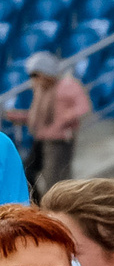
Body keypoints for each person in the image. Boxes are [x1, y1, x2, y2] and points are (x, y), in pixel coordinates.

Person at [1, 55, 90, 196]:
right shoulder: (42, 90)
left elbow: (83, 107)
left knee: (55, 179)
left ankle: (54, 207)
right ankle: (38, 204)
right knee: (27, 173)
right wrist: (16, 116)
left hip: (59, 141)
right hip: (41, 139)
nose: (34, 79)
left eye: (36, 74)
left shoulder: (67, 85)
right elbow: (37, 116)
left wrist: (64, 119)